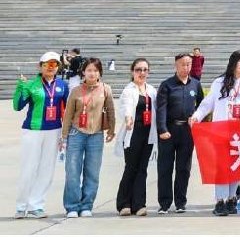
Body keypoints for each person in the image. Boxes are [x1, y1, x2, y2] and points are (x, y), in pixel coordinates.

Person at [190, 50, 240, 216]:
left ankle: (231, 199)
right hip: (220, 131)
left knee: (236, 166)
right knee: (221, 167)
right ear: (232, 62)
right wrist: (197, 116)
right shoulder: (219, 82)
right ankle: (220, 201)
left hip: (239, 132)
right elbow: (208, 103)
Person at [14, 51, 70, 219]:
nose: (51, 67)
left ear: (58, 67)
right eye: (47, 64)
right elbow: (17, 106)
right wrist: (20, 88)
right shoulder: (31, 85)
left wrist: (64, 134)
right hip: (33, 131)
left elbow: (66, 110)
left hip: (54, 130)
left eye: (54, 64)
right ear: (41, 66)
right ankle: (21, 205)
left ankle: (36, 205)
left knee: (47, 169)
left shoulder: (62, 85)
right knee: (28, 168)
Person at [61, 58, 115, 218]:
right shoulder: (76, 91)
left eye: (96, 70)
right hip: (76, 134)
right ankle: (72, 206)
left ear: (100, 73)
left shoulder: (105, 89)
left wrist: (111, 129)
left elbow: (110, 110)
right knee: (72, 171)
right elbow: (68, 114)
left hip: (96, 135)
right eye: (89, 70)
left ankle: (86, 205)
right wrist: (64, 136)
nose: (92, 73)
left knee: (92, 172)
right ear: (83, 72)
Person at [155, 53, 203, 214]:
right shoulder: (167, 85)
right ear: (176, 65)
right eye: (183, 64)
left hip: (187, 132)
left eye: (189, 64)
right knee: (165, 168)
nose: (186, 67)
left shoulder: (195, 85)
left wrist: (197, 119)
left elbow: (202, 106)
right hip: (169, 130)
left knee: (184, 168)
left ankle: (181, 202)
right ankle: (164, 203)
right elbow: (160, 109)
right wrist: (162, 129)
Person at [115, 58, 158, 217]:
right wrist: (128, 118)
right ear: (132, 72)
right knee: (131, 168)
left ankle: (139, 204)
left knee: (142, 169)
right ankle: (124, 203)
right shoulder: (129, 90)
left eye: (145, 70)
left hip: (148, 134)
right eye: (138, 70)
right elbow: (126, 106)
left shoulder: (152, 90)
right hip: (133, 132)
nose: (142, 73)